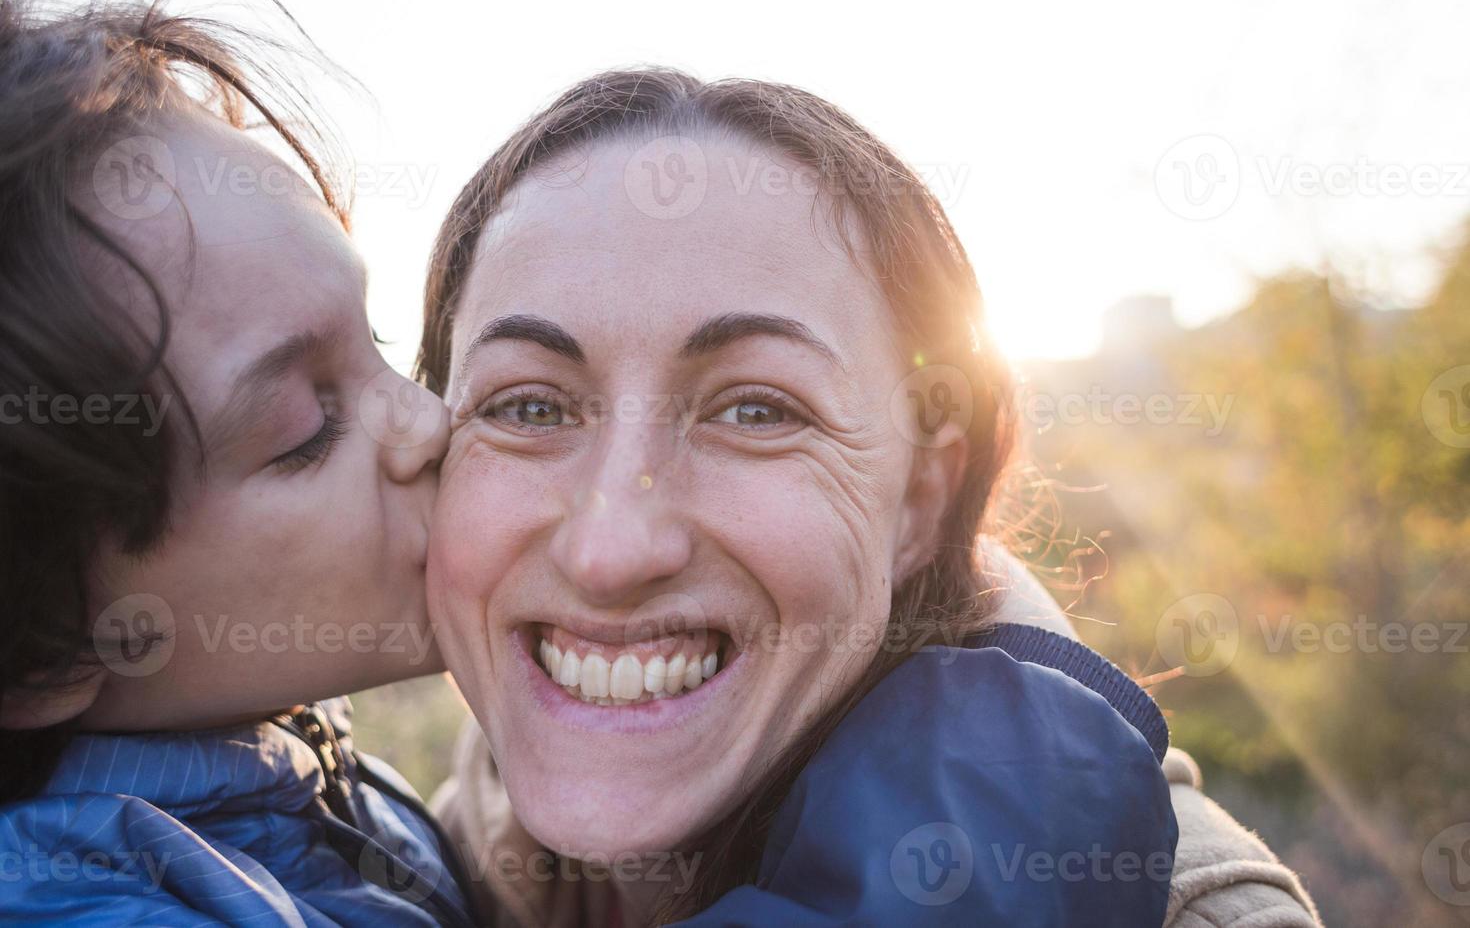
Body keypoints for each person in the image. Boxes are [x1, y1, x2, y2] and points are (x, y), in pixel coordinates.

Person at [418, 68, 1177, 926]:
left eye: (755, 410)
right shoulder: (386, 867)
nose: (610, 550)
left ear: (921, 499)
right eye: (528, 407)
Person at [0, 0, 473, 926]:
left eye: (374, 340)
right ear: (43, 655)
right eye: (307, 430)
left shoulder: (275, 757)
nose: (429, 420)